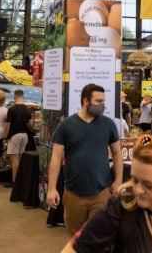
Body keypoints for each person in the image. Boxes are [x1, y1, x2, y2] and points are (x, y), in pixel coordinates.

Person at [47, 83, 123, 236]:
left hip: (101, 192)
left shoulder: (108, 124)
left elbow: (117, 152)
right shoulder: (66, 125)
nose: (102, 105)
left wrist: (118, 180)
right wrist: (51, 189)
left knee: (98, 236)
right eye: (98, 101)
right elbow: (56, 158)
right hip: (73, 193)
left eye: (103, 101)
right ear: (85, 101)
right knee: (76, 239)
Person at [5, 89, 32, 183]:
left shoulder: (11, 110)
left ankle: (14, 181)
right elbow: (30, 124)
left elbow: (7, 125)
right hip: (24, 135)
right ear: (23, 97)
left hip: (14, 135)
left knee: (14, 159)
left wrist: (5, 136)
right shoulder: (27, 109)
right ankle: (21, 181)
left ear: (14, 97)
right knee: (21, 158)